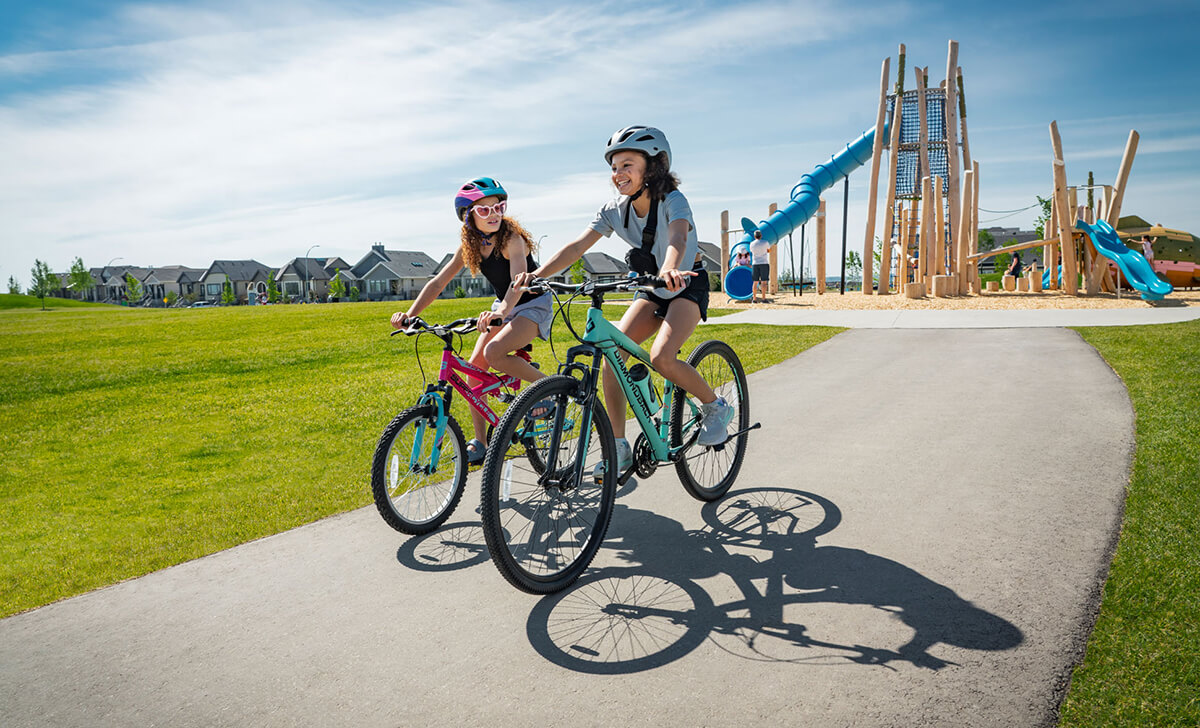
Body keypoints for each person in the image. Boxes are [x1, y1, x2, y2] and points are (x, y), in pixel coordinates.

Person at [514, 125, 734, 472]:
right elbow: (576, 246)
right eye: (614, 167)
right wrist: (537, 276)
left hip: (685, 285)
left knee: (663, 357)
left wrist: (671, 268)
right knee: (611, 353)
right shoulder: (614, 208)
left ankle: (715, 405)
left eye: (627, 165)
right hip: (652, 288)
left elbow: (677, 235)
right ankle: (618, 445)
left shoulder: (674, 201)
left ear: (653, 166)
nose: (618, 175)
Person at [390, 177, 552, 464]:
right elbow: (438, 282)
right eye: (484, 210)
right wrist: (410, 315)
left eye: (498, 207)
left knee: (494, 352)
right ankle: (481, 441)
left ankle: (548, 391)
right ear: (468, 216)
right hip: (502, 308)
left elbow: (518, 283)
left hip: (531, 304)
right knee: (474, 369)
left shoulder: (512, 240)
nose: (494, 214)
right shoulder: (472, 245)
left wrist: (501, 312)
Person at [749, 230, 770, 303]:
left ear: (754, 236)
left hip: (755, 263)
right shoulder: (765, 242)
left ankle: (754, 299)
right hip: (764, 263)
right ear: (761, 236)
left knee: (755, 282)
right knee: (764, 282)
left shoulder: (752, 244)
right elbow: (768, 250)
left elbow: (752, 251)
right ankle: (763, 299)